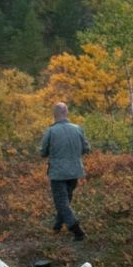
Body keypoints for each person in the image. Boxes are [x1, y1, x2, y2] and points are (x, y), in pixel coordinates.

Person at [39, 101, 90, 241]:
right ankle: (57, 225)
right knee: (65, 200)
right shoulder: (78, 129)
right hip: (75, 171)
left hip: (58, 173)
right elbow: (87, 149)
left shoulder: (50, 131)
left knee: (61, 203)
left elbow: (43, 152)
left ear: (54, 114)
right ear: (66, 113)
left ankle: (78, 232)